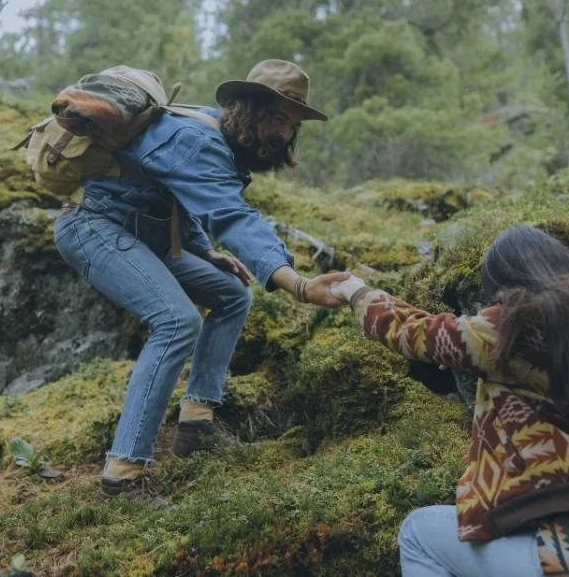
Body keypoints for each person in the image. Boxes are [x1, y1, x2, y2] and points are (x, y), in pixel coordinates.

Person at [315, 225, 569, 576]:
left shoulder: (515, 324)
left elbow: (412, 332)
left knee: (418, 533)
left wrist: (356, 291)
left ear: (504, 284)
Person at [53, 59, 350, 499]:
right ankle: (123, 474)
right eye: (275, 118)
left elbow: (177, 192)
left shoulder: (215, 132)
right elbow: (231, 215)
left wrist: (204, 251)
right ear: (246, 108)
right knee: (176, 321)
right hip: (94, 227)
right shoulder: (198, 139)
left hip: (142, 231)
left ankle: (196, 422)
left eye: (291, 125)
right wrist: (298, 284)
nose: (283, 134)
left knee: (231, 294)